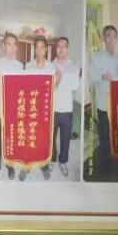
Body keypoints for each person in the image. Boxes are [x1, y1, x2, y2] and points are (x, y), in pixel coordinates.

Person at [0, 32, 24, 181]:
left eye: (14, 44)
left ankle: (10, 166)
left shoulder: (20, 66)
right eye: (8, 44)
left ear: (16, 47)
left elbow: (23, 89)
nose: (11, 47)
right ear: (4, 46)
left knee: (10, 141)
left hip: (13, 112)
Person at [23, 36, 56, 181]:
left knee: (44, 140)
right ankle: (27, 166)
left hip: (44, 108)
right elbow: (25, 85)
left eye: (42, 47)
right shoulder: (28, 66)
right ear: (34, 49)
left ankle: (44, 166)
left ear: (46, 49)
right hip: (31, 107)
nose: (39, 50)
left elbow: (52, 88)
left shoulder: (51, 67)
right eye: (36, 48)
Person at [89, 24, 118, 171]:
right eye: (108, 36)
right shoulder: (96, 58)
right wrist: (101, 76)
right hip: (103, 103)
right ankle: (104, 162)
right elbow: (92, 78)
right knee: (104, 134)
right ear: (103, 38)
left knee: (117, 132)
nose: (111, 39)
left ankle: (117, 159)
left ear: (116, 39)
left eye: (114, 36)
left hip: (117, 103)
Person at [51, 36, 80, 177]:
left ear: (67, 49)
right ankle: (52, 160)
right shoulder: (50, 66)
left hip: (67, 110)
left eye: (64, 46)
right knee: (51, 139)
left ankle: (63, 161)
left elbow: (74, 88)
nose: (61, 49)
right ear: (55, 48)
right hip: (52, 109)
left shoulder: (74, 67)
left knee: (65, 139)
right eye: (58, 46)